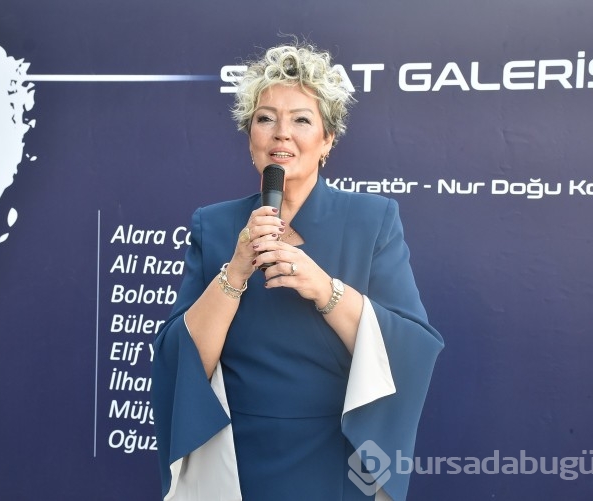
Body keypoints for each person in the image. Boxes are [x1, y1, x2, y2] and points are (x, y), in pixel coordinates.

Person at [152, 41, 443, 501]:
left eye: (302, 120)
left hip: (335, 457)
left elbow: (413, 347)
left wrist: (326, 290)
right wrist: (235, 271)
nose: (281, 135)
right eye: (266, 119)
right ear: (250, 136)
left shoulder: (372, 220)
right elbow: (178, 359)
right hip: (234, 461)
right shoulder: (214, 225)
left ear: (328, 140)